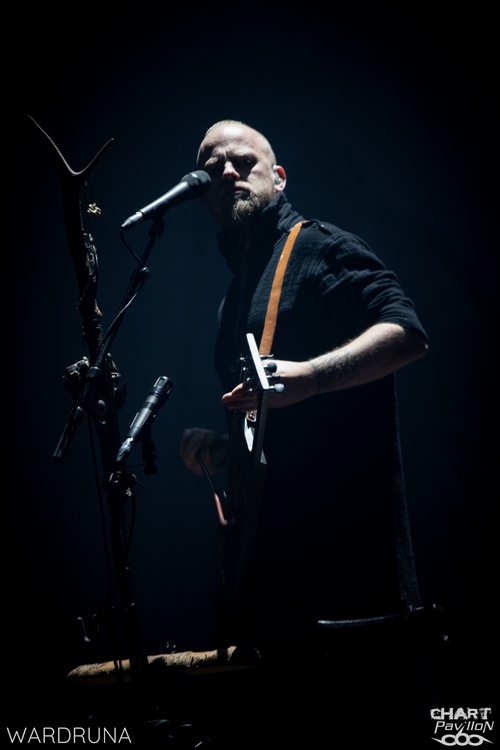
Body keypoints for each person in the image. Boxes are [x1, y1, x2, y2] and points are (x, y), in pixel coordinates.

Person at [180, 120, 431, 744]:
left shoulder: (320, 247)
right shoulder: (236, 294)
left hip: (344, 571)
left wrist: (313, 377)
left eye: (243, 161)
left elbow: (407, 332)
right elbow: (274, 418)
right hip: (270, 577)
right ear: (203, 196)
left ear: (280, 176)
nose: (228, 172)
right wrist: (224, 446)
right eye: (212, 169)